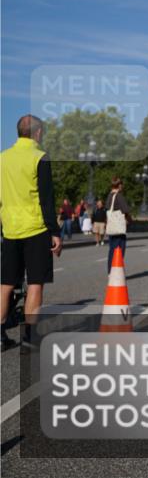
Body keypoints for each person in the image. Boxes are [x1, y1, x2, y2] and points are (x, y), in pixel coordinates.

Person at [0, 115, 62, 351]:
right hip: (36, 229)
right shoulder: (40, 157)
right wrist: (55, 232)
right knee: (35, 282)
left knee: (5, 283)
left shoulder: (2, 158)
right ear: (37, 133)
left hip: (10, 228)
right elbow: (46, 200)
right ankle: (29, 338)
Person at [104, 178, 132, 273]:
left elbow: (107, 209)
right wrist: (129, 220)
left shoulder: (109, 196)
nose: (122, 186)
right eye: (121, 185)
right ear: (119, 185)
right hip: (119, 228)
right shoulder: (119, 196)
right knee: (120, 249)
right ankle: (116, 271)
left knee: (112, 249)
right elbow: (126, 210)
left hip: (112, 227)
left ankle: (110, 271)